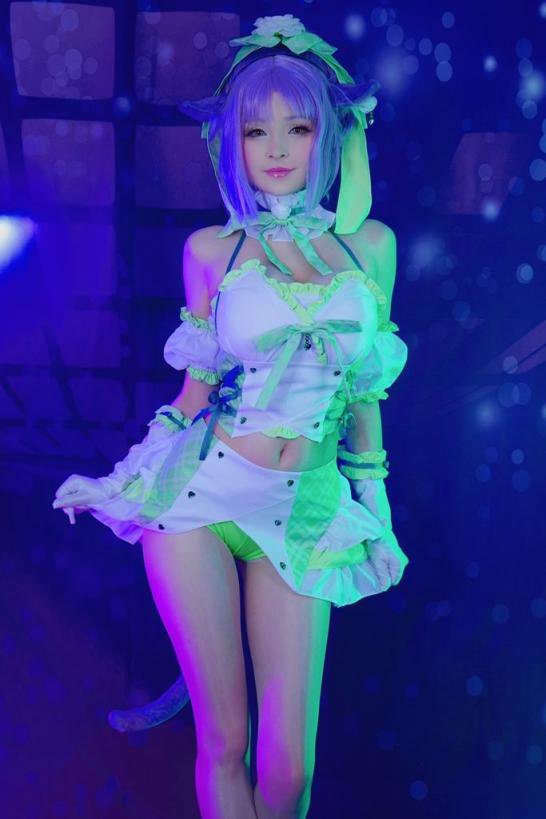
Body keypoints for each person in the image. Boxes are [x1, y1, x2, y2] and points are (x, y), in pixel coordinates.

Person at [52, 15, 410, 819]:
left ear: (330, 133)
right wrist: (121, 478)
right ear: (232, 144)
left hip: (305, 508)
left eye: (298, 126)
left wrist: (376, 506)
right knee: (225, 740)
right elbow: (192, 395)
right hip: (201, 502)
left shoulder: (371, 247)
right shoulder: (213, 250)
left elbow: (365, 393)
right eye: (255, 130)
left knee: (290, 771)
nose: (276, 147)